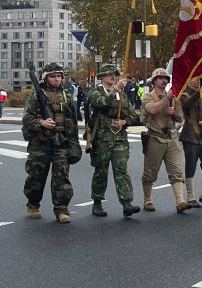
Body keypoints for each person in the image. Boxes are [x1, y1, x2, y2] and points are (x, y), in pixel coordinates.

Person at [21, 63, 81, 223]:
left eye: (59, 76)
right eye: (53, 76)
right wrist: (41, 123)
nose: (57, 79)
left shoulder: (66, 95)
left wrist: (74, 143)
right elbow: (27, 118)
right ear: (46, 78)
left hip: (61, 142)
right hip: (40, 143)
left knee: (61, 177)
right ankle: (33, 204)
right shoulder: (36, 96)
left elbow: (72, 121)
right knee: (36, 176)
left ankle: (61, 209)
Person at [86, 64, 141, 218]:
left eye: (115, 74)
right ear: (102, 76)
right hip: (102, 139)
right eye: (110, 74)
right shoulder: (94, 92)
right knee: (101, 172)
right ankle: (97, 202)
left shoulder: (121, 94)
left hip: (119, 139)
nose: (113, 77)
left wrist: (123, 122)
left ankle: (126, 203)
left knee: (121, 171)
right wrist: (115, 89)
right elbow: (101, 102)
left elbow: (133, 115)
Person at [140, 68, 190, 213]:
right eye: (161, 78)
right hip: (155, 137)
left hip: (171, 137)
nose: (164, 81)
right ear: (154, 81)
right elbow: (152, 110)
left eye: (166, 78)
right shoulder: (148, 97)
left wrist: (174, 113)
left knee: (176, 170)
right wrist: (167, 98)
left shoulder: (174, 97)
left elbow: (181, 117)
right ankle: (147, 199)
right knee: (150, 171)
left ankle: (180, 200)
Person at [179, 77, 202, 207]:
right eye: (195, 79)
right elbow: (187, 104)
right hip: (190, 135)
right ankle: (190, 196)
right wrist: (199, 92)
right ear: (189, 81)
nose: (198, 82)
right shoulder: (184, 95)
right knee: (191, 165)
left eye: (200, 80)